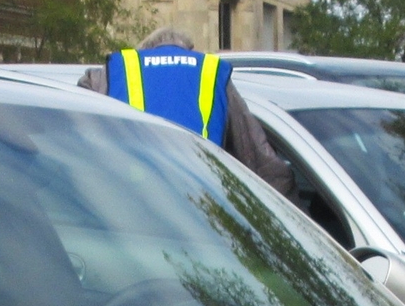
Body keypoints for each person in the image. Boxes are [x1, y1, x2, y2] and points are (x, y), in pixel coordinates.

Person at [78, 29, 293, 194]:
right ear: (189, 49)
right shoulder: (210, 74)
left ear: (142, 50)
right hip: (195, 206)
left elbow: (75, 146)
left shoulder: (111, 74)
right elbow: (262, 162)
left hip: (126, 205)